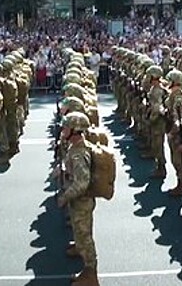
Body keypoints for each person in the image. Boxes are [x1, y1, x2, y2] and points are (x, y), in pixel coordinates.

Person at [57, 112, 99, 286]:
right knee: (80, 232)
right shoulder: (75, 148)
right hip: (78, 201)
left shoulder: (79, 153)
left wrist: (65, 197)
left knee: (85, 236)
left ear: (75, 130)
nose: (63, 130)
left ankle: (91, 273)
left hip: (81, 201)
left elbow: (82, 182)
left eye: (66, 127)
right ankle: (80, 249)